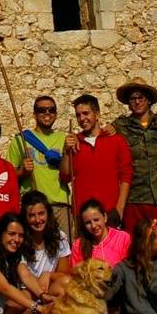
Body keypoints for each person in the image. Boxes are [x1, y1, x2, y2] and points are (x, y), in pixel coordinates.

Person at [5, 95, 72, 236]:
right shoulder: (21, 140)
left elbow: (68, 175)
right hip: (33, 207)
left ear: (56, 114)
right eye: (42, 110)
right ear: (34, 114)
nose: (47, 113)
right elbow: (7, 176)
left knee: (63, 250)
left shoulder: (64, 139)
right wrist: (22, 172)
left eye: (51, 110)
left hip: (60, 204)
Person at [60, 94, 132, 222]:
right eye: (78, 115)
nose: (82, 118)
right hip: (83, 215)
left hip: (109, 212)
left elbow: (126, 176)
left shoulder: (116, 141)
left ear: (97, 114)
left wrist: (119, 209)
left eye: (86, 113)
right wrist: (66, 151)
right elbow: (65, 176)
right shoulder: (75, 143)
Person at [20, 189, 72, 300]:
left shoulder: (60, 237)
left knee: (66, 284)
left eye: (41, 214)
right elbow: (23, 275)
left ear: (48, 213)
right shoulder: (20, 239)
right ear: (25, 218)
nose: (38, 220)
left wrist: (48, 274)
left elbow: (63, 274)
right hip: (27, 291)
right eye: (32, 216)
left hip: (49, 289)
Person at [71, 198, 132, 267]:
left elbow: (128, 269)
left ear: (105, 217)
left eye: (96, 220)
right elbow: (77, 273)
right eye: (88, 223)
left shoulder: (122, 238)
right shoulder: (78, 245)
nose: (93, 226)